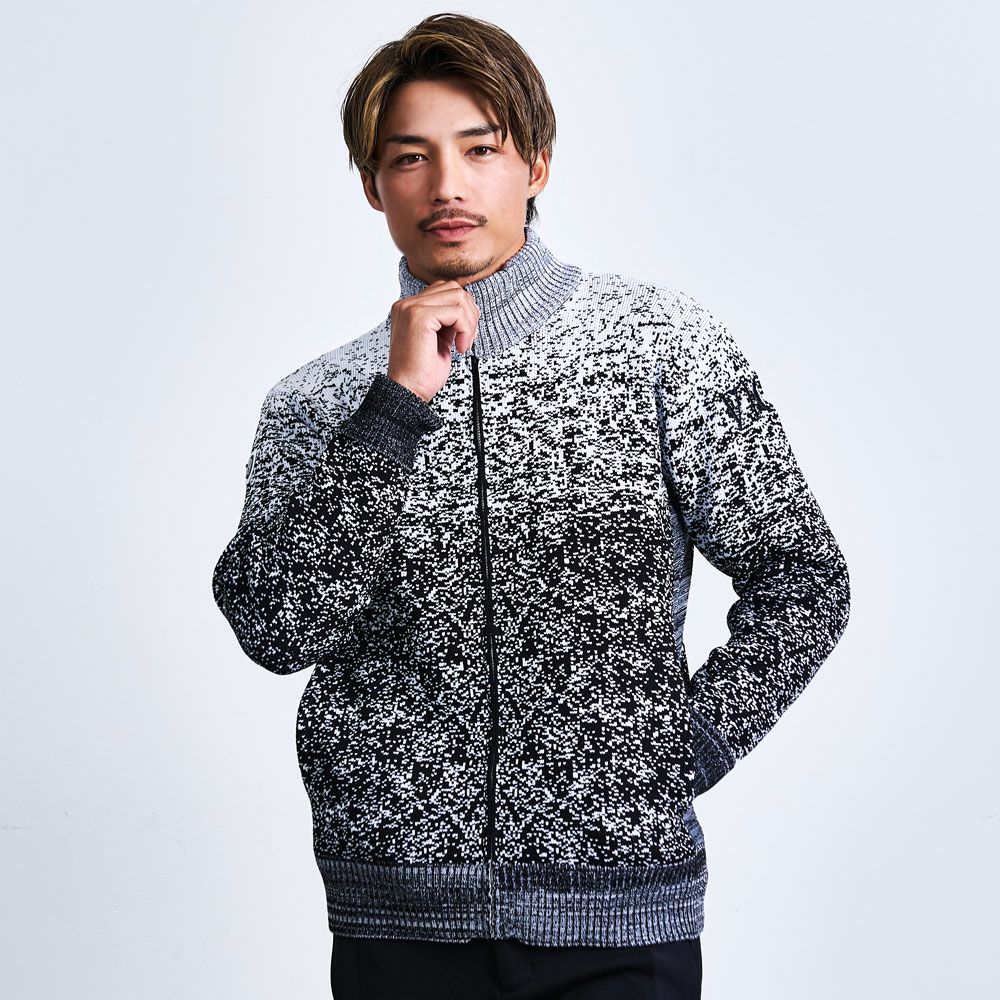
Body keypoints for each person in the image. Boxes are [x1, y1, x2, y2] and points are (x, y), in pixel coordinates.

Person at [211, 12, 851, 999]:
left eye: (481, 149)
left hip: (620, 923)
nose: (447, 185)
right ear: (374, 185)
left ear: (537, 164)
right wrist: (394, 407)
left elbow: (804, 577)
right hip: (397, 925)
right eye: (410, 157)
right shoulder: (319, 402)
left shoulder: (660, 348)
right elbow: (274, 625)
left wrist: (681, 746)